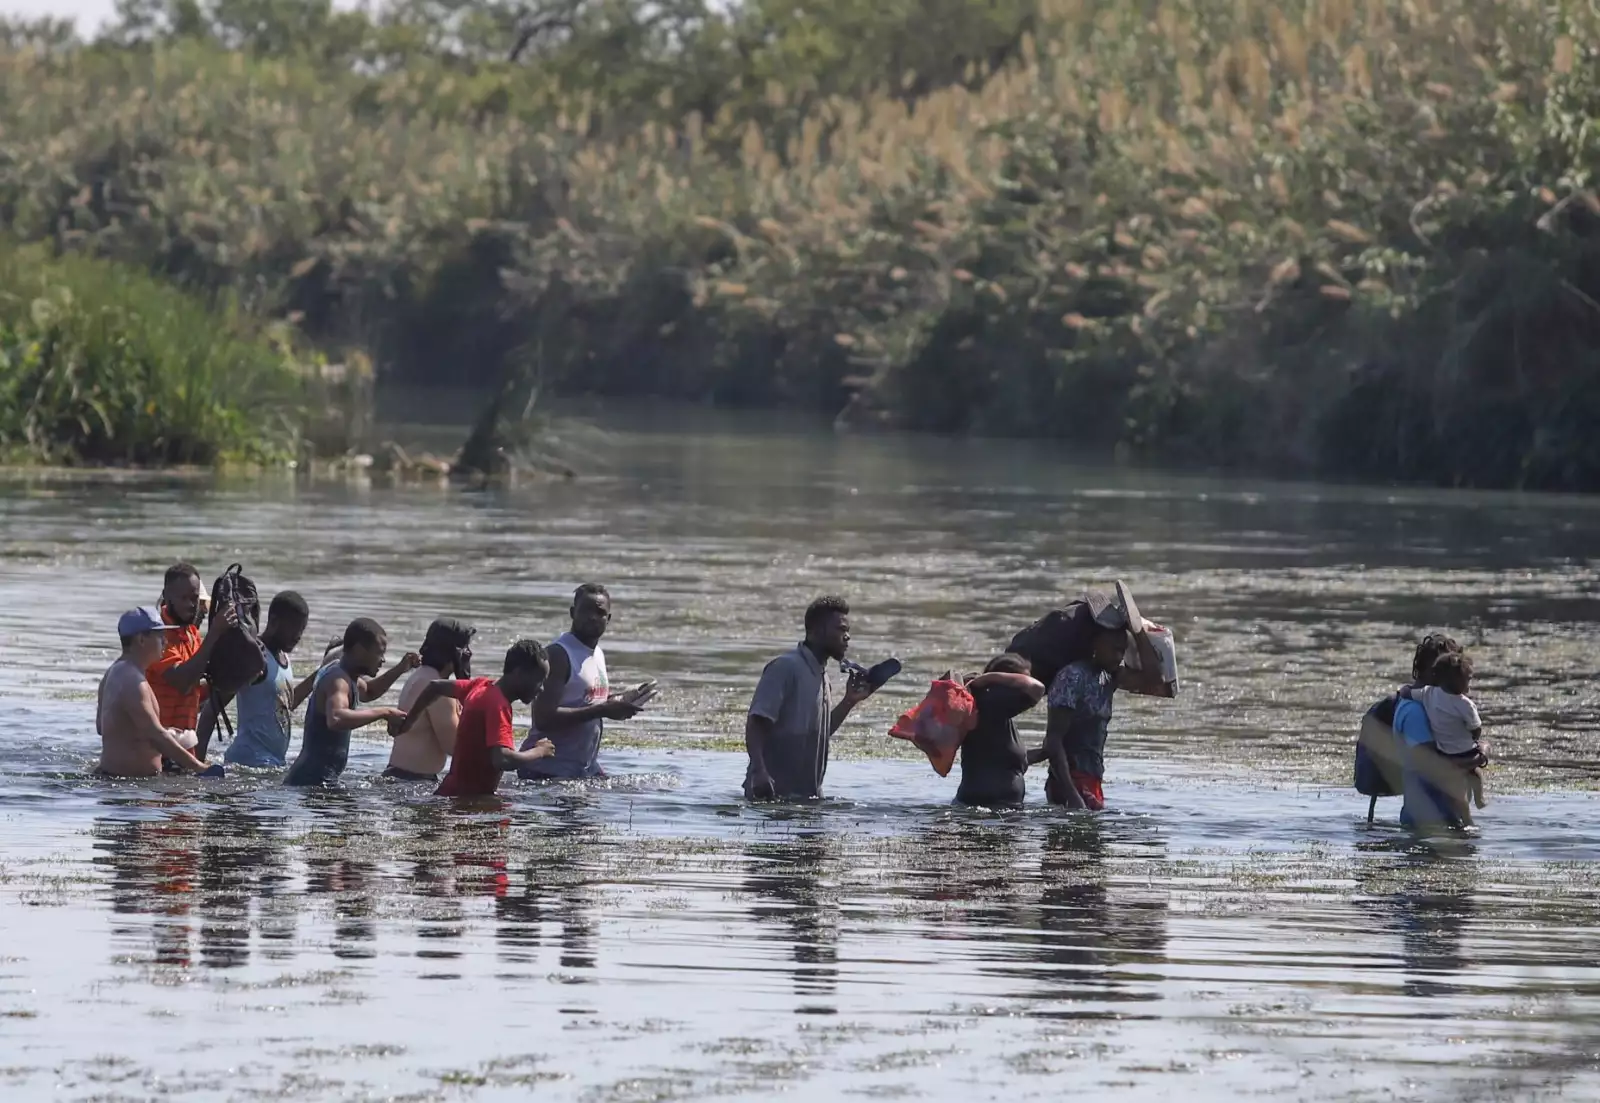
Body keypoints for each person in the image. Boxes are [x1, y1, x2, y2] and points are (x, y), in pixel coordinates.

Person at [1030, 601, 1167, 810]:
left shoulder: (1108, 677)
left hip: (1091, 779)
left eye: (1122, 651)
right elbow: (1053, 742)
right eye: (1113, 649)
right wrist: (1072, 794)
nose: (1118, 657)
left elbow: (1155, 678)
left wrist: (1138, 632)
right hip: (1070, 781)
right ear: (1094, 644)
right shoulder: (1072, 677)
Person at [744, 595, 879, 801]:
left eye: (848, 630)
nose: (847, 637)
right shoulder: (785, 667)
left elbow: (819, 734)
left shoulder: (822, 676)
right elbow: (756, 722)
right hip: (769, 797)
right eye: (840, 629)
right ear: (815, 631)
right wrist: (759, 772)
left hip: (805, 799)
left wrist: (849, 701)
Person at [518, 583, 656, 780]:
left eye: (599, 613)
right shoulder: (559, 655)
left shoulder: (597, 653)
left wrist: (618, 700)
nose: (592, 617)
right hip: (545, 772)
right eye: (586, 611)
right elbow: (543, 718)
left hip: (581, 770)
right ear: (572, 613)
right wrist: (603, 710)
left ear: (608, 619)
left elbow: (583, 699)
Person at [392, 639, 558, 797]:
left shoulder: (482, 686)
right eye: (539, 680)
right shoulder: (498, 705)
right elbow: (502, 759)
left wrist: (409, 722)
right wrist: (538, 752)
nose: (542, 688)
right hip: (466, 802)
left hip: (451, 791)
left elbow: (435, 687)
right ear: (519, 673)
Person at [191, 592, 317, 768]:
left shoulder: (284, 659)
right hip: (248, 761)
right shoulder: (253, 659)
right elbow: (212, 709)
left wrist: (318, 675)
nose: (298, 635)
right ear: (274, 621)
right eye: (294, 627)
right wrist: (197, 765)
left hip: (272, 763)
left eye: (302, 629)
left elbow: (284, 707)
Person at [282, 618, 412, 787]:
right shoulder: (338, 680)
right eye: (379, 653)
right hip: (311, 782)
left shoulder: (345, 674)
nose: (383, 660)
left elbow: (370, 691)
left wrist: (401, 668)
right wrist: (384, 713)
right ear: (359, 650)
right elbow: (336, 718)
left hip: (319, 780)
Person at [96, 608, 220, 778]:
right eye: (160, 636)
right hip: (127, 786)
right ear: (141, 640)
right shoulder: (133, 681)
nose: (165, 642)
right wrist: (200, 768)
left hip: (116, 779)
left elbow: (103, 727)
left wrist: (169, 734)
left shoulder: (113, 672)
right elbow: (155, 736)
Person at [146, 563, 239, 749]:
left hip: (183, 743)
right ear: (166, 597)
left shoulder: (191, 633)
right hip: (156, 747)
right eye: (184, 598)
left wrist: (233, 678)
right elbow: (182, 682)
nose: (192, 604)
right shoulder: (157, 635)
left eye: (195, 598)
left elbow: (194, 690)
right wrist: (214, 633)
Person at [386, 618, 477, 783]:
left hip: (398, 776)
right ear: (454, 652)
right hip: (412, 782)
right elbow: (455, 747)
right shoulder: (437, 689)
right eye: (466, 648)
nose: (469, 653)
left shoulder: (420, 675)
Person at [954, 654, 1047, 808]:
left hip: (990, 806)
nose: (1023, 694)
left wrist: (1044, 753)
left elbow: (1001, 760)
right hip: (990, 808)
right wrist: (989, 677)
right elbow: (1037, 688)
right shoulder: (988, 707)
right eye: (1019, 683)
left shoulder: (997, 715)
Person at [1403, 651, 1488, 810]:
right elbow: (1476, 727)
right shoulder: (1466, 704)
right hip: (1465, 751)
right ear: (1457, 680)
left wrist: (1402, 691)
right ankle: (1479, 798)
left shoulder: (1428, 693)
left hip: (1444, 751)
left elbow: (1408, 693)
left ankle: (1465, 802)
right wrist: (1476, 739)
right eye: (1468, 679)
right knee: (1475, 771)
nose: (1469, 684)